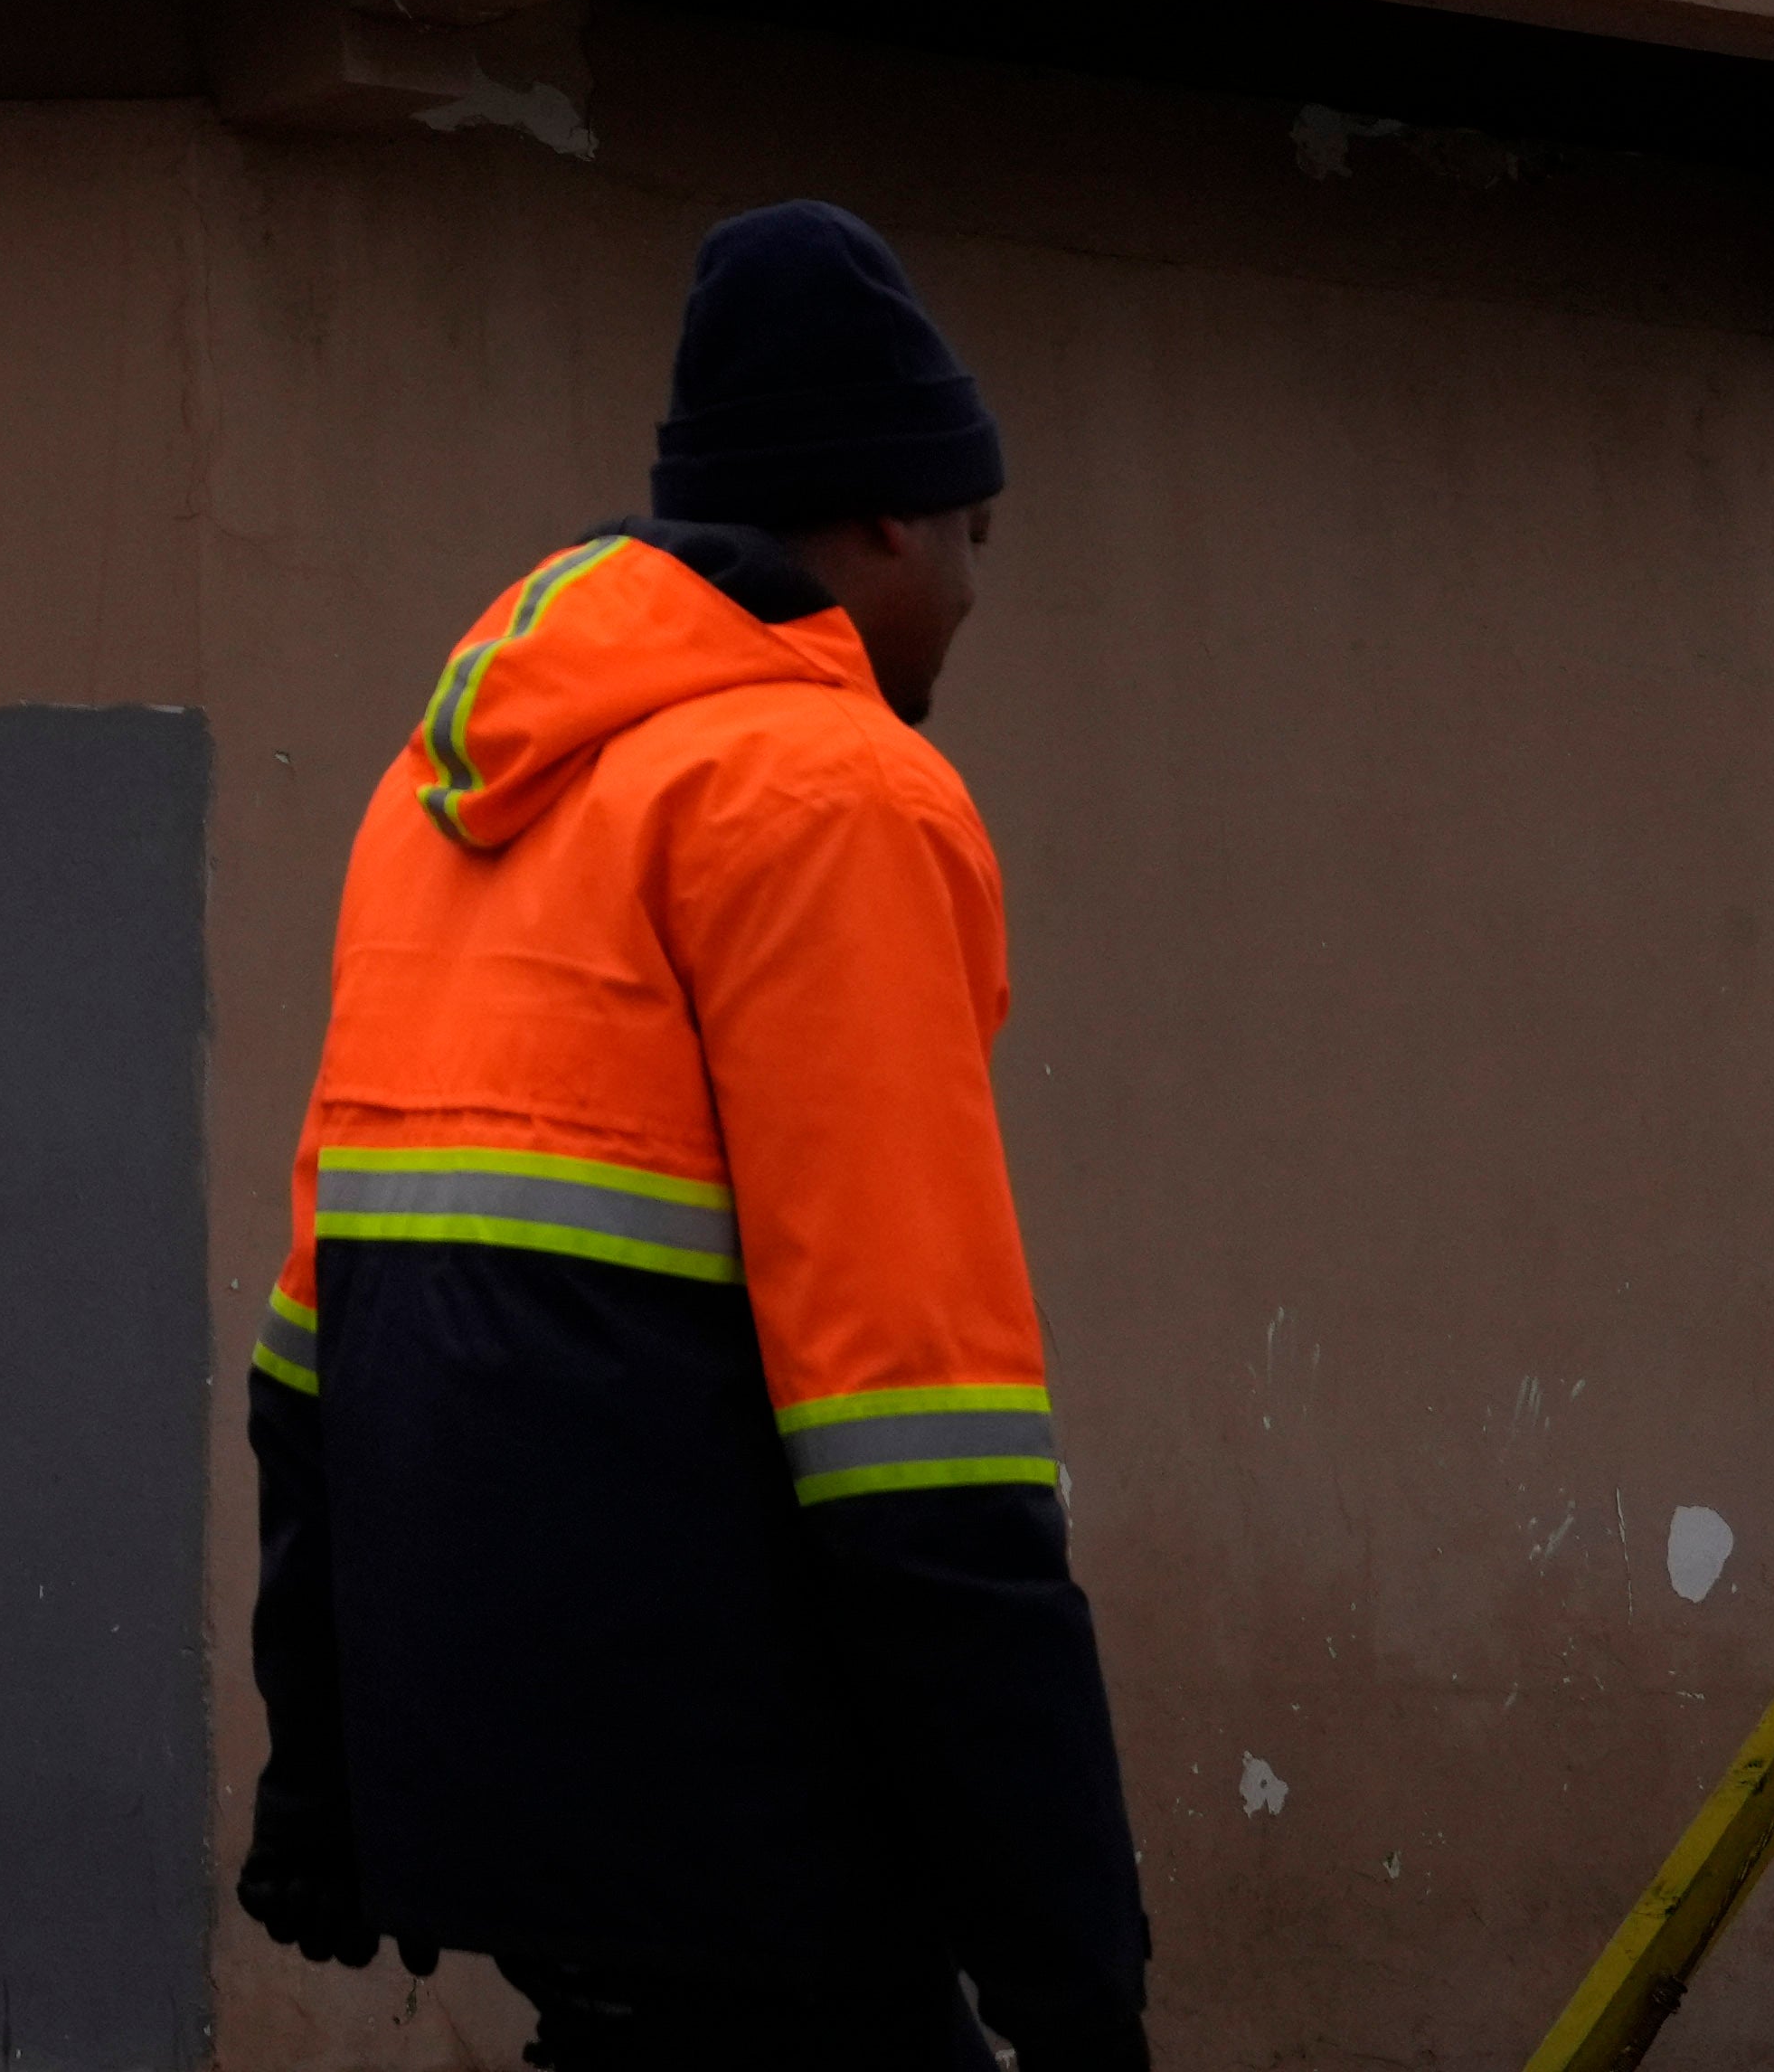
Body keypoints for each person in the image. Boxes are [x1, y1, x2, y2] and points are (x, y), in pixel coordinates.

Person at [236, 202, 1146, 2072]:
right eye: (974, 537)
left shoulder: (441, 802)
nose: (974, 595)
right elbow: (923, 1444)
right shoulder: (829, 798)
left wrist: (322, 1782)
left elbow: (310, 1358)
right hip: (744, 1811)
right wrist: (1075, 1969)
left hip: (500, 1787)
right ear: (887, 515)